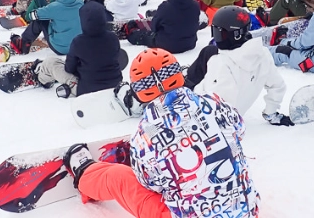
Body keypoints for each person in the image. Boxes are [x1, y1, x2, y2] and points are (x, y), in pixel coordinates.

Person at [63, 48, 260, 218]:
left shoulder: (144, 135)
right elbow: (239, 130)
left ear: (138, 91)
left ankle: (85, 174)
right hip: (247, 211)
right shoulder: (215, 102)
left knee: (121, 178)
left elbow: (149, 183)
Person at [185, 5, 291, 125]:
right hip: (235, 113)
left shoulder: (221, 63)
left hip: (202, 115)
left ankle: (185, 80)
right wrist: (271, 112)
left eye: (220, 33)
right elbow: (278, 85)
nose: (216, 37)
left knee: (207, 52)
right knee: (209, 51)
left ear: (235, 34)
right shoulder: (262, 54)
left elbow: (214, 102)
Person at [30, 0, 125, 98]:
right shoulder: (113, 38)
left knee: (51, 62)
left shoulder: (78, 42)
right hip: (115, 87)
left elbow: (69, 68)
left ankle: (42, 78)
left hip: (86, 90)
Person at [126, 0, 200, 54]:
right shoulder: (195, 5)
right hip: (190, 43)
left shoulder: (166, 7)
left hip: (168, 45)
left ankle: (131, 33)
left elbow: (154, 27)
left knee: (144, 36)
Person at [12, 0, 83, 55]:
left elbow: (32, 15)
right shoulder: (80, 3)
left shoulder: (53, 7)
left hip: (61, 48)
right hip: (79, 48)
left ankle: (23, 44)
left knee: (40, 20)